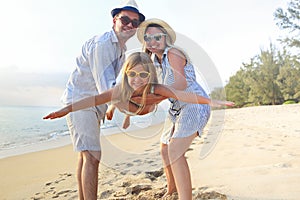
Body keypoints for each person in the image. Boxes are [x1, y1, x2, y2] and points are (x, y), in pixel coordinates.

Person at [56, 0, 145, 199]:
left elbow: (114, 87)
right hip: (81, 101)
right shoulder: (104, 44)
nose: (129, 25)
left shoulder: (120, 49)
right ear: (115, 20)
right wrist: (135, 108)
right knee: (93, 157)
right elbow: (108, 89)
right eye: (125, 19)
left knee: (86, 156)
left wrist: (116, 109)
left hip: (94, 104)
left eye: (134, 22)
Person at [137, 18, 222, 199]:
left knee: (175, 151)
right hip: (177, 107)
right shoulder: (154, 61)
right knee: (164, 147)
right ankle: (172, 190)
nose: (152, 42)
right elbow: (159, 91)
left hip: (193, 104)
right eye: (148, 38)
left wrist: (156, 94)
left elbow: (181, 84)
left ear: (166, 37)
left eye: (157, 37)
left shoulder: (173, 53)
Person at [44, 52, 233, 121]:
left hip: (145, 108)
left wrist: (209, 100)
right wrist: (66, 109)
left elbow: (183, 96)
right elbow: (92, 100)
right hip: (127, 106)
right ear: (126, 73)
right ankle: (113, 108)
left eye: (143, 74)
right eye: (132, 74)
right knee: (114, 97)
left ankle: (119, 108)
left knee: (160, 95)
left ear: (150, 75)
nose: (137, 79)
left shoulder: (154, 87)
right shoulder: (121, 88)